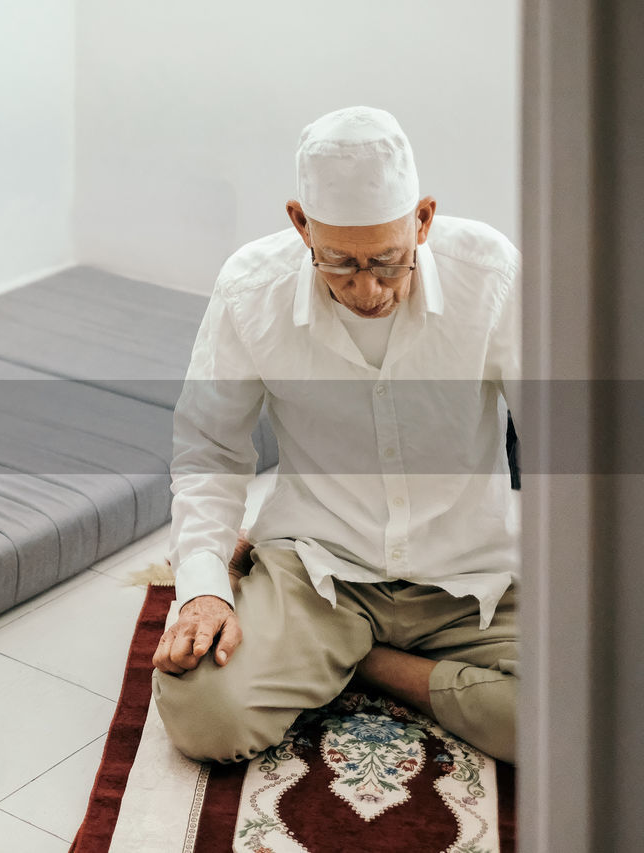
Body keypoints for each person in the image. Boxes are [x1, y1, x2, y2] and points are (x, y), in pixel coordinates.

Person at [151, 106, 520, 764]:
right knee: (203, 713)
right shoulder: (249, 290)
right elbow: (209, 452)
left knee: (595, 718)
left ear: (424, 219)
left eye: (388, 259)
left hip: (474, 577)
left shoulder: (491, 274)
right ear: (300, 224)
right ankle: (326, 637)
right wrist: (203, 588)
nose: (368, 288)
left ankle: (369, 662)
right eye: (339, 262)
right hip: (323, 570)